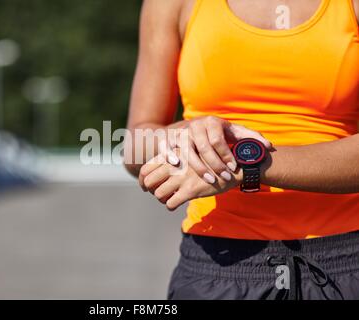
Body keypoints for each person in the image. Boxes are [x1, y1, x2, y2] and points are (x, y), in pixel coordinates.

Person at [124, 0, 359, 300]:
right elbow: (135, 146)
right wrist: (192, 135)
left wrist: (245, 162)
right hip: (218, 267)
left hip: (345, 262)